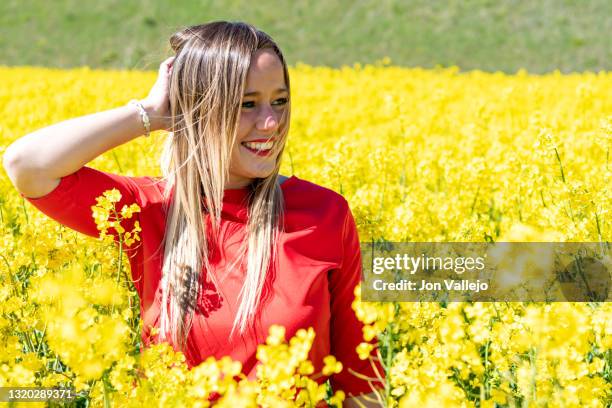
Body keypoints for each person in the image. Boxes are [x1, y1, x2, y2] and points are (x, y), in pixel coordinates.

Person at [3, 21, 384, 407]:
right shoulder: (150, 208)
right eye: (247, 104)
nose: (270, 123)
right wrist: (151, 113)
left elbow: (362, 380)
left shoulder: (324, 214)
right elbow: (27, 165)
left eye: (280, 101)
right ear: (202, 109)